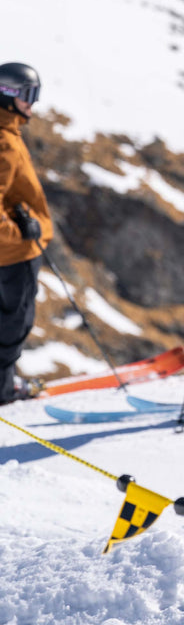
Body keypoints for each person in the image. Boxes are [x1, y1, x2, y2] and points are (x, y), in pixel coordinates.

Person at [0, 62, 53, 405]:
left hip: (14, 249)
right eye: (28, 95)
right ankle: (4, 388)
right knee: (14, 321)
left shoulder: (9, 130)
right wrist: (19, 231)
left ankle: (5, 380)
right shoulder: (3, 140)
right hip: (14, 253)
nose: (32, 103)